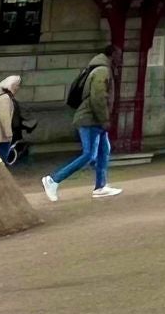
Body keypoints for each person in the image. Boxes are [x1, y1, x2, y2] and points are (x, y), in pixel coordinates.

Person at [41, 46, 120, 200]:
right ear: (111, 55)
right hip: (90, 119)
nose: (121, 59)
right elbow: (98, 97)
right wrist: (104, 119)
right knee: (89, 154)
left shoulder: (100, 68)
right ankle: (53, 180)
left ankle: (101, 186)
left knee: (104, 151)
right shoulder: (102, 71)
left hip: (93, 118)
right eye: (119, 55)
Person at [0, 75, 31, 167]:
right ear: (11, 85)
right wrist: (8, 133)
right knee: (1, 161)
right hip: (1, 134)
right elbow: (4, 117)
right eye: (16, 85)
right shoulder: (5, 98)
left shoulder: (3, 97)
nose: (18, 88)